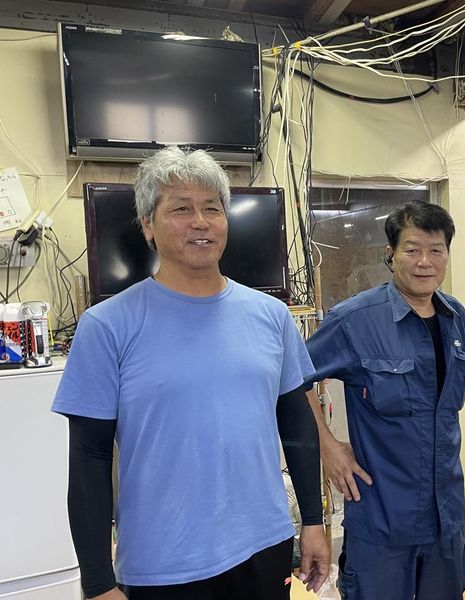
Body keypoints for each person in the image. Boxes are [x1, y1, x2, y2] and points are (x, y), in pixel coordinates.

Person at [52, 146, 329, 600]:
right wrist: (98, 581)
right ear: (148, 225)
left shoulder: (272, 316)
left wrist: (313, 522)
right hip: (163, 563)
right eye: (181, 209)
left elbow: (296, 424)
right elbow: (89, 457)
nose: (200, 222)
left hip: (265, 545)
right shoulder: (107, 325)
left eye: (212, 208)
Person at [304, 201, 465, 600]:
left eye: (436, 250)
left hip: (445, 518)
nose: (425, 262)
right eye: (412, 250)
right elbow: (292, 380)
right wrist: (327, 446)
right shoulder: (354, 319)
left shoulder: (456, 318)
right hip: (382, 519)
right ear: (390, 254)